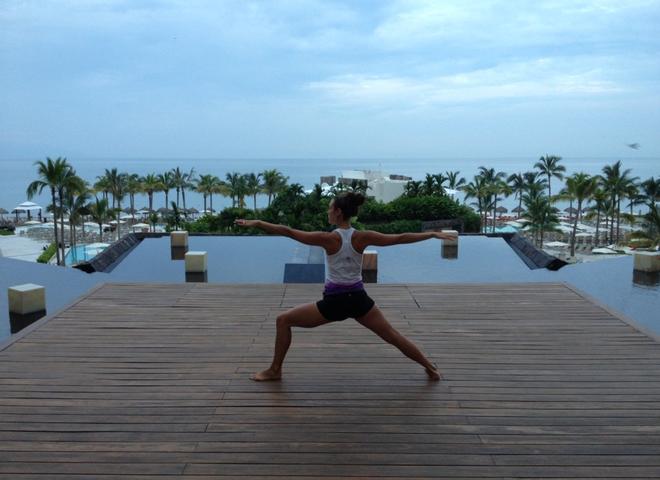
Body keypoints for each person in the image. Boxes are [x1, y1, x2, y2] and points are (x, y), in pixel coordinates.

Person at [235, 192, 456, 382]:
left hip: (335, 303)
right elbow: (399, 238)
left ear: (338, 212)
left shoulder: (327, 239)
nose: (328, 212)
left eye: (330, 208)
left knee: (283, 321)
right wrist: (431, 234)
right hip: (359, 300)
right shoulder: (363, 237)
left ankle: (275, 370)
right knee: (393, 336)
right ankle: (430, 368)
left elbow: (289, 231)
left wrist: (258, 223)